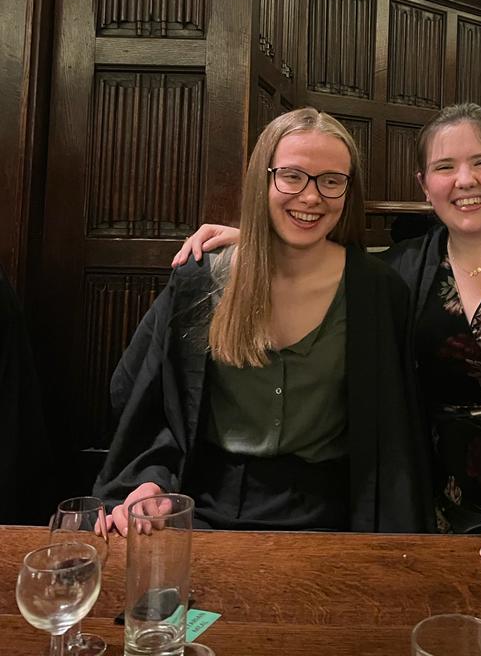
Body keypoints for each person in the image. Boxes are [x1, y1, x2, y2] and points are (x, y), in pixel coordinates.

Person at [175, 103, 481, 569]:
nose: (465, 180)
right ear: (425, 184)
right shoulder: (402, 271)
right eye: (445, 167)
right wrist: (260, 239)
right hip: (433, 516)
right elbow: (329, 267)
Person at [96, 108, 433, 535]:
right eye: (291, 176)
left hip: (331, 515)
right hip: (199, 505)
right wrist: (151, 481)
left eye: (332, 181)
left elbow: (397, 428)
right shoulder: (202, 278)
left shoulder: (377, 291)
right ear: (262, 179)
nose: (311, 197)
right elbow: (147, 400)